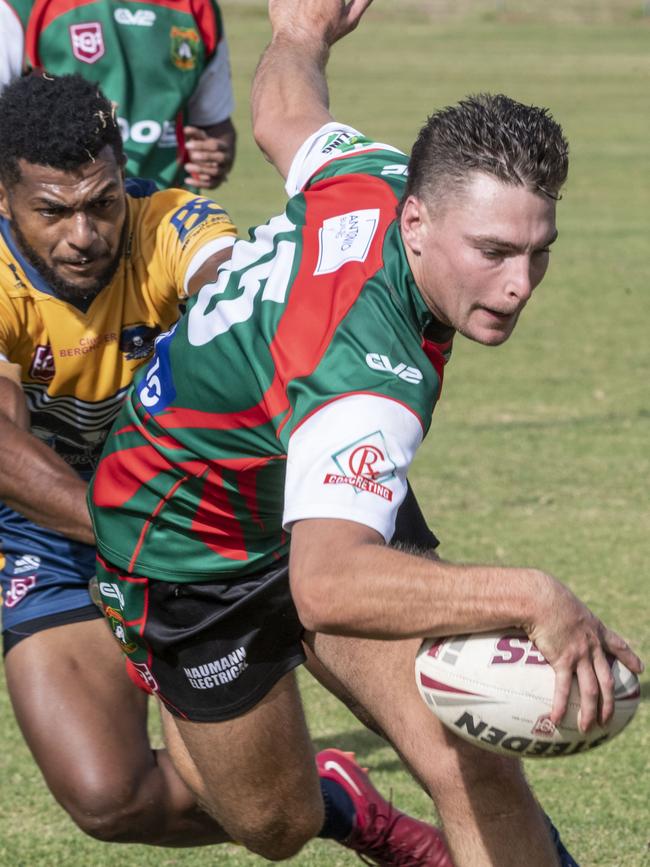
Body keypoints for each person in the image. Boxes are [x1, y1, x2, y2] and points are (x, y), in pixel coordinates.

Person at [87, 1, 643, 865]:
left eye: (539, 252)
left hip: (318, 479)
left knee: (470, 762)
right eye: (493, 251)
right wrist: (535, 594)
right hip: (185, 543)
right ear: (415, 222)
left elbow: (280, 113)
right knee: (277, 823)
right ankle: (337, 791)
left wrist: (301, 33)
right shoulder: (366, 377)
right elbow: (330, 585)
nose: (519, 283)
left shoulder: (373, 173)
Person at [0, 70, 452, 865]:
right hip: (54, 529)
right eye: (53, 212)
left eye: (102, 203)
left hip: (208, 506)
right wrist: (129, 532)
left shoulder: (174, 224)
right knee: (108, 795)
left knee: (417, 719)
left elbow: (243, 293)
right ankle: (339, 801)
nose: (83, 233)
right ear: (4, 200)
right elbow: (6, 452)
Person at [20, 0, 236, 190]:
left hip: (168, 210)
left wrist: (213, 156)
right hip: (72, 208)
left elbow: (214, 124)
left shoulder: (199, 7)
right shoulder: (29, 6)